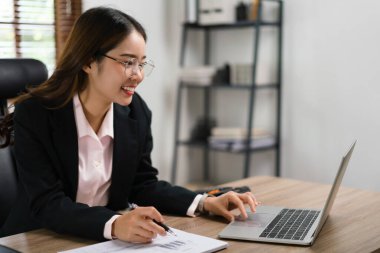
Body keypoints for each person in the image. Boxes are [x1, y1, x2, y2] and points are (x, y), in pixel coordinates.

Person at [0, 7, 259, 243]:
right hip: (36, 239)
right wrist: (114, 224)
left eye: (142, 62)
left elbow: (142, 184)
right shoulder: (36, 114)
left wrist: (205, 202)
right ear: (89, 61)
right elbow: (47, 203)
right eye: (127, 62)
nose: (138, 75)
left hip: (100, 242)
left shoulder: (136, 112)